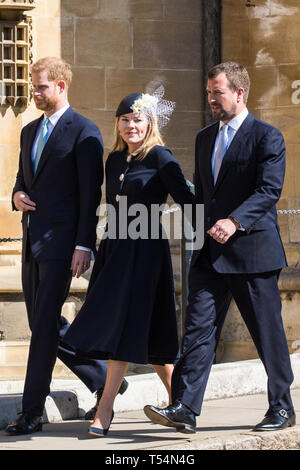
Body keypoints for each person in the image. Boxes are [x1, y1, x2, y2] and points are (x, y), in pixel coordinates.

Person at [144, 61, 296, 434]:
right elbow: (203, 193)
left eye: (217, 92)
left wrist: (235, 220)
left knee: (266, 332)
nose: (211, 98)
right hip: (210, 254)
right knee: (198, 331)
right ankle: (185, 407)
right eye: (209, 92)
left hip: (253, 254)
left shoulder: (267, 137)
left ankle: (282, 406)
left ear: (239, 93)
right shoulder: (204, 137)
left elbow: (268, 191)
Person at [63, 87, 195, 436]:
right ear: (118, 123)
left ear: (150, 122)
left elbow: (189, 200)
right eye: (125, 119)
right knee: (150, 341)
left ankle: (104, 411)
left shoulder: (161, 157)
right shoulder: (115, 160)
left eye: (137, 119)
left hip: (146, 255)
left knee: (123, 332)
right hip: (115, 252)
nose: (130, 126)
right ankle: (182, 405)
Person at [6, 57, 127, 436]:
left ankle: (31, 412)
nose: (35, 92)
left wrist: (83, 245)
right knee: (41, 323)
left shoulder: (84, 132)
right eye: (34, 85)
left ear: (61, 86)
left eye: (41, 86)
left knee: (43, 327)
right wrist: (16, 195)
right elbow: (21, 179)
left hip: (63, 247)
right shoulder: (28, 132)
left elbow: (90, 194)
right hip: (31, 243)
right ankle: (102, 376)